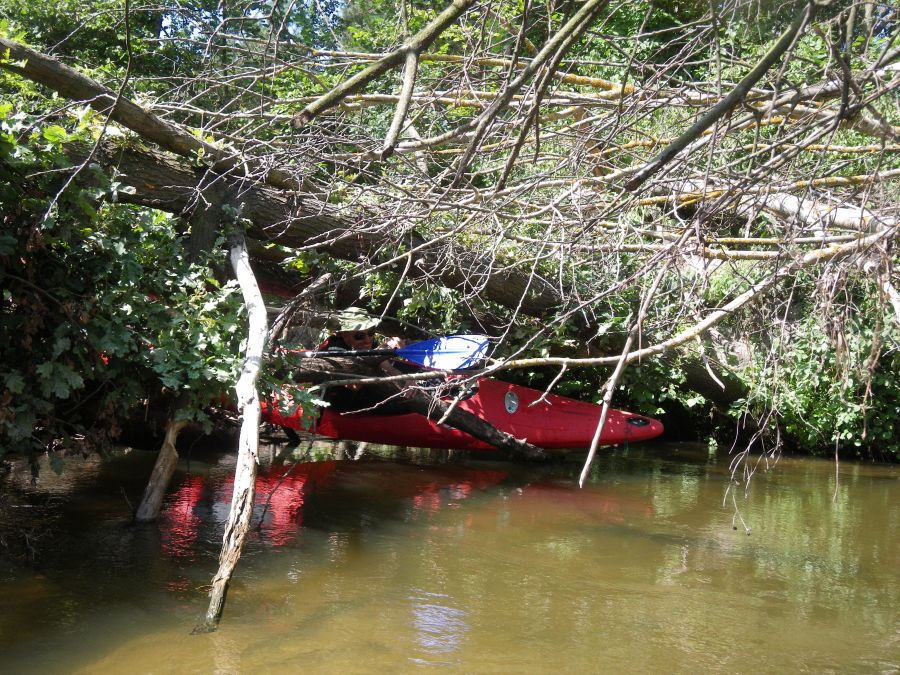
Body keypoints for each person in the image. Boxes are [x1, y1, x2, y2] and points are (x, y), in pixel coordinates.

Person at [318, 307, 413, 414]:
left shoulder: (368, 342)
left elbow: (387, 367)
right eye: (359, 336)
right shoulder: (335, 349)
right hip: (342, 401)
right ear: (344, 334)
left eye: (371, 333)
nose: (367, 340)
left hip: (364, 389)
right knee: (400, 408)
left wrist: (405, 379)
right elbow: (352, 385)